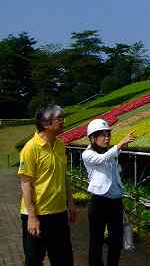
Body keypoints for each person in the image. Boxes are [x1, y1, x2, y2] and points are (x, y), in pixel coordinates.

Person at [18, 105, 75, 266]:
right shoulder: (30, 148)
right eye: (59, 119)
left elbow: (63, 176)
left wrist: (70, 203)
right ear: (45, 123)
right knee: (34, 260)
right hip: (38, 215)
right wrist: (32, 216)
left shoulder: (60, 145)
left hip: (59, 214)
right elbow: (26, 183)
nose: (63, 121)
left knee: (64, 260)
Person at [82, 119, 135, 266]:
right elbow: (101, 159)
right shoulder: (88, 154)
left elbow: (112, 158)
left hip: (115, 201)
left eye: (108, 135)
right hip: (99, 202)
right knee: (96, 241)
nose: (107, 138)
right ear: (92, 138)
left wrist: (120, 147)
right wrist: (119, 145)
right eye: (103, 135)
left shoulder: (110, 152)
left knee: (116, 241)